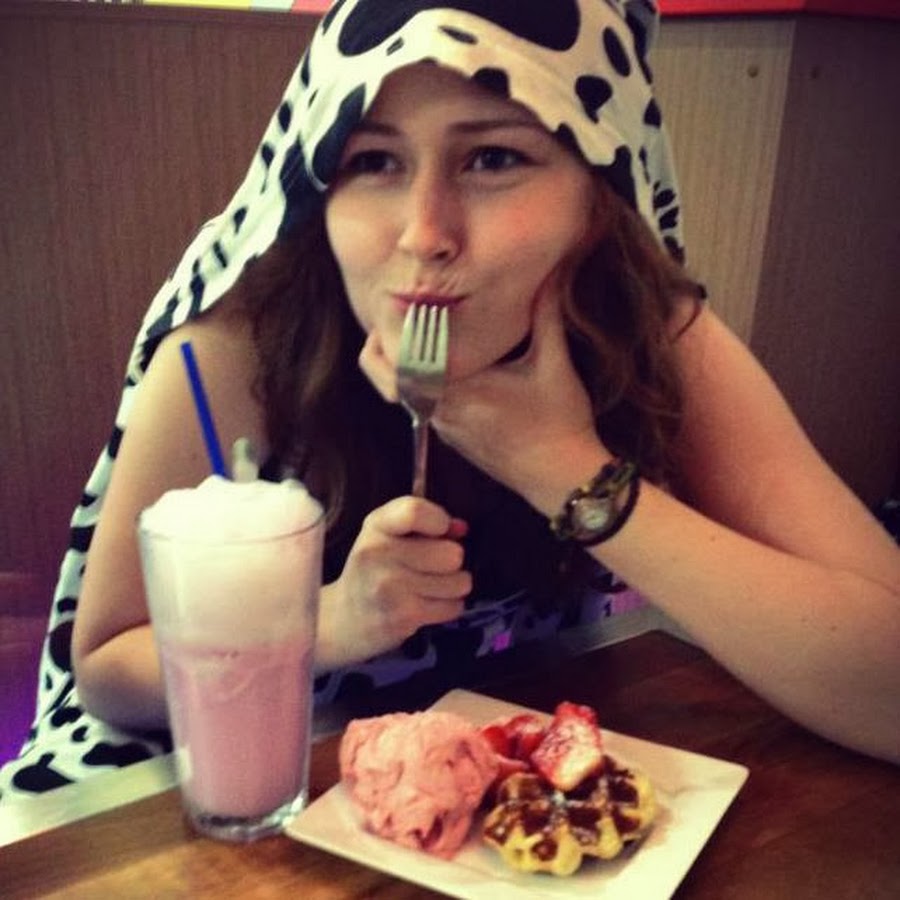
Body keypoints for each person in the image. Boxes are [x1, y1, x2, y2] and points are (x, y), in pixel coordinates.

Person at [2, 0, 898, 802]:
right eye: (374, 161)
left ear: (600, 192)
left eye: (493, 158)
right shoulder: (238, 352)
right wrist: (327, 623)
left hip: (508, 786)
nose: (424, 233)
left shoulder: (651, 335)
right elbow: (108, 666)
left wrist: (565, 469)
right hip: (213, 793)